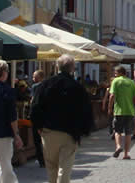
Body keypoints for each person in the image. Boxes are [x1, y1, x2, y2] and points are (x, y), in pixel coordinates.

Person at [30, 55, 94, 183]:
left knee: (52, 167)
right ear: (72, 69)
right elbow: (86, 111)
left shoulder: (45, 85)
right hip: (69, 133)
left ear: (57, 67)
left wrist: (38, 126)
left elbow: (35, 106)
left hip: (48, 132)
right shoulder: (77, 87)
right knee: (65, 167)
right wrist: (84, 130)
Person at [108, 66, 135, 160]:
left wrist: (109, 107)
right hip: (130, 111)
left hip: (119, 111)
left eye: (116, 73)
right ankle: (126, 154)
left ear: (120, 73)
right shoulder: (131, 82)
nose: (115, 75)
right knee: (128, 133)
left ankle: (118, 146)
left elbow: (112, 95)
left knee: (117, 131)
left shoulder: (116, 81)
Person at [29, 70, 45, 169]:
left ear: (39, 77)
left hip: (36, 116)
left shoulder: (35, 87)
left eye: (34, 76)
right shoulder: (47, 85)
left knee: (37, 140)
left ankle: (41, 160)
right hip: (46, 117)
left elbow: (32, 100)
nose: (33, 78)